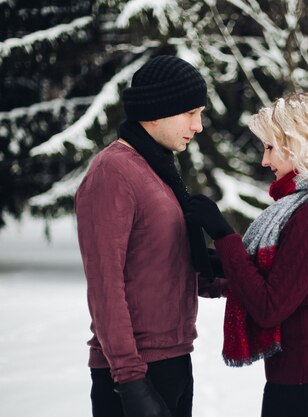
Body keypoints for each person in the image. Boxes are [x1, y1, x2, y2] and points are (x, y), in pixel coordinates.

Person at [186, 92, 308, 417]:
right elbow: (275, 279)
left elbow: (269, 306)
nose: (264, 160)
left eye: (270, 147)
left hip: (303, 380)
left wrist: (223, 233)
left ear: (302, 145)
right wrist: (213, 263)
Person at [75, 54, 222, 417]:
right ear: (157, 112)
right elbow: (105, 286)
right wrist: (130, 381)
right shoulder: (113, 173)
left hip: (172, 360)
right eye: (191, 113)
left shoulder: (157, 170)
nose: (199, 126)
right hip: (133, 371)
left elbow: (170, 267)